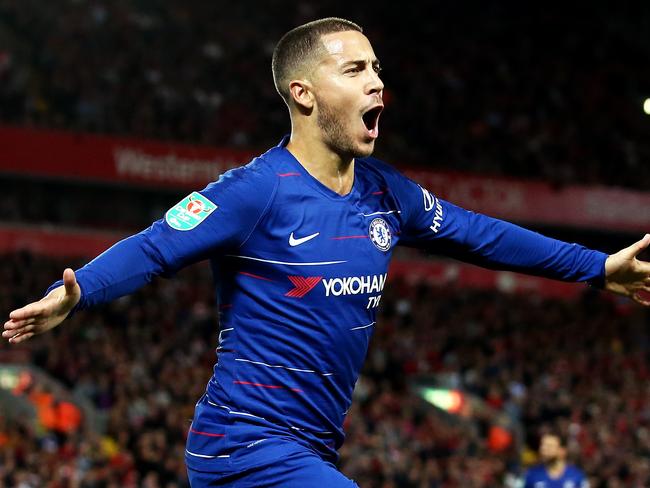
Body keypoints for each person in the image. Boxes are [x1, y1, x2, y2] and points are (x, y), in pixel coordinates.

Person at [3, 17, 650, 487]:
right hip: (244, 447)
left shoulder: (386, 192)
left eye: (377, 68)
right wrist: (76, 292)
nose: (378, 84)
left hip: (312, 449)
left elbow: (480, 234)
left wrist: (596, 267)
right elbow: (155, 246)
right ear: (303, 94)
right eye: (356, 69)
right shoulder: (255, 191)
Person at [522, 433, 589, 488]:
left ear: (562, 451)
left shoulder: (577, 475)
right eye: (542, 446)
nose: (543, 450)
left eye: (549, 446)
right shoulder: (532, 475)